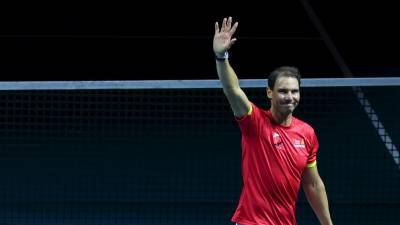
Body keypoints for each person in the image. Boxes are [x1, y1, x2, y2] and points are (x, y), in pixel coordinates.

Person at [213, 17, 334, 225]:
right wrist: (221, 56)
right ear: (269, 93)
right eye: (283, 91)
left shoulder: (307, 133)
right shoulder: (255, 122)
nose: (290, 96)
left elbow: (313, 184)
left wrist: (327, 223)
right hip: (252, 221)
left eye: (294, 91)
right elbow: (232, 90)